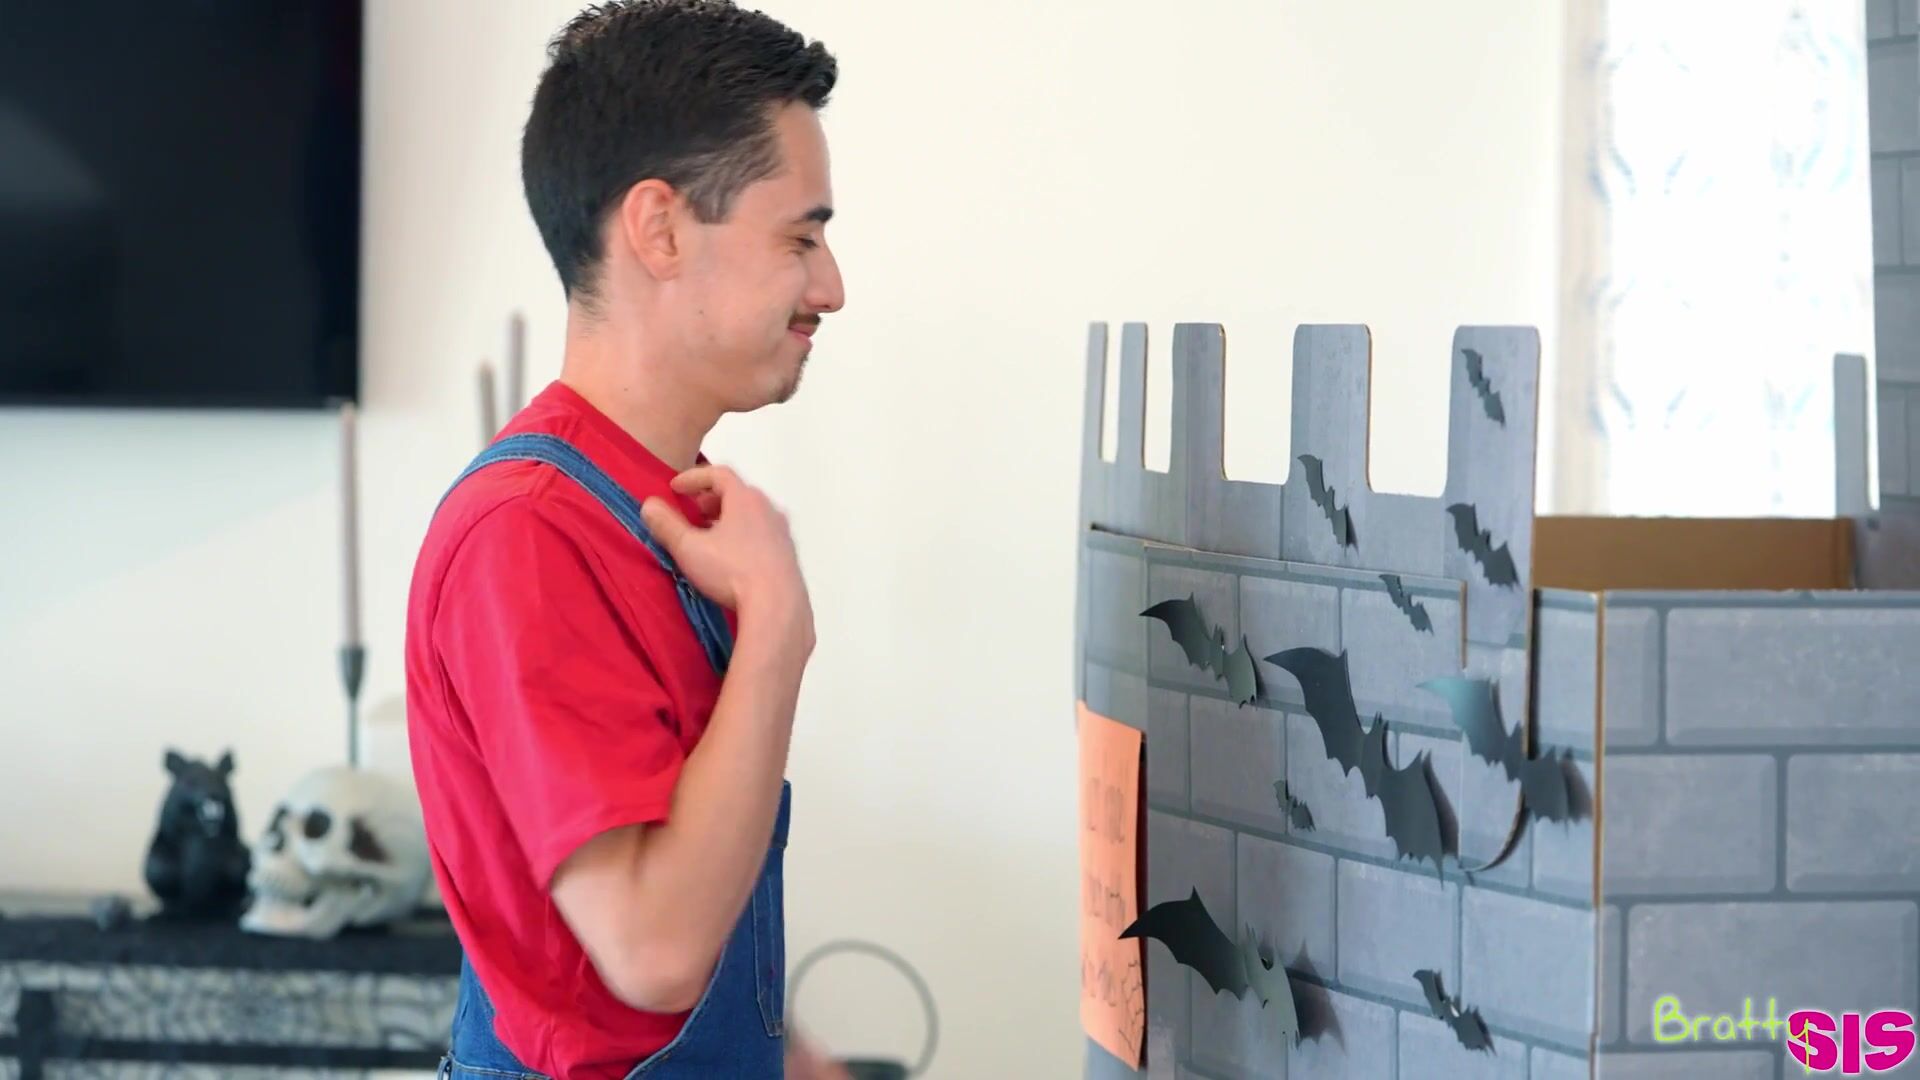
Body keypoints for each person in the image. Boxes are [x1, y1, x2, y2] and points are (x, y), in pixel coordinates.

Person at [403, 2, 847, 1076]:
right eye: (800, 238)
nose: (831, 288)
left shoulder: (657, 514)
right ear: (659, 229)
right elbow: (652, 950)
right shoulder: (529, 537)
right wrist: (777, 629)